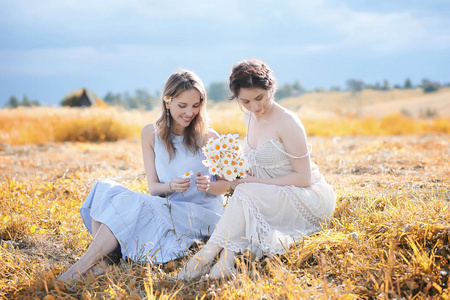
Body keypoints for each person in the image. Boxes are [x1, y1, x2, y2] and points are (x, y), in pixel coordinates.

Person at [59, 69, 230, 281]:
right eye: (182, 106)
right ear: (167, 102)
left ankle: (78, 269)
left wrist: (209, 186)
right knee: (104, 188)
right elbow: (154, 188)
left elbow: (227, 185)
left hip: (200, 214)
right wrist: (172, 186)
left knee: (133, 204)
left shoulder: (210, 137)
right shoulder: (150, 133)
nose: (190, 112)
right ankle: (104, 260)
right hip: (166, 206)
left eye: (196, 106)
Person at [177, 59, 336, 280]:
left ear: (271, 87)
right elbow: (258, 166)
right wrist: (238, 174)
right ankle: (224, 263)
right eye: (246, 101)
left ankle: (206, 256)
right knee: (243, 194)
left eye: (260, 98)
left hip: (303, 196)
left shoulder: (287, 121)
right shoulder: (249, 117)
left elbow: (303, 178)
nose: (255, 107)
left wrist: (252, 184)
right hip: (266, 194)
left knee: (245, 193)